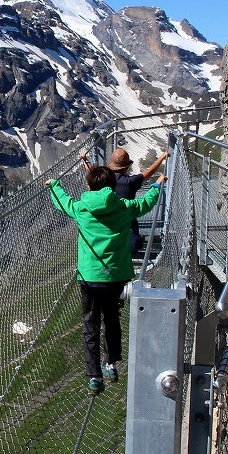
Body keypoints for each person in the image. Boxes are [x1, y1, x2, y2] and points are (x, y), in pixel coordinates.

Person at [47, 164, 166, 395]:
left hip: (90, 277)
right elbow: (146, 203)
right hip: (116, 277)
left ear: (89, 186)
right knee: (111, 319)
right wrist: (156, 185)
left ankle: (94, 377)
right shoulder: (123, 207)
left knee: (90, 325)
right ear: (113, 187)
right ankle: (111, 364)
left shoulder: (81, 209)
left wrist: (54, 185)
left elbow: (63, 202)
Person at [80, 148, 171, 256]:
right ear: (126, 167)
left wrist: (85, 160)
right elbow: (149, 172)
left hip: (105, 224)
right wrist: (158, 177)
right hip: (127, 223)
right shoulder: (130, 182)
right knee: (130, 245)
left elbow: (92, 171)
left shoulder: (103, 178)